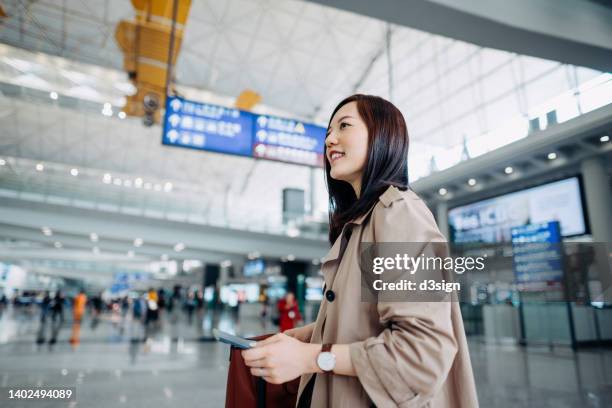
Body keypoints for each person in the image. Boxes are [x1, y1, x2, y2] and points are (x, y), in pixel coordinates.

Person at [241, 95, 479, 407]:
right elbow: (367, 321)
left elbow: (421, 355)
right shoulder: (364, 222)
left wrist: (313, 357)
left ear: (382, 135)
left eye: (344, 126)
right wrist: (308, 336)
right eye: (327, 132)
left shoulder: (399, 213)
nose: (330, 140)